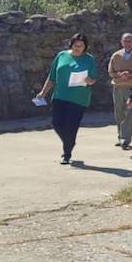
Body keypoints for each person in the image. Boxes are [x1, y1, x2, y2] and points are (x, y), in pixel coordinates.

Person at [35, 32, 98, 165]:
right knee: (56, 123)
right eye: (76, 45)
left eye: (81, 45)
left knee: (71, 125)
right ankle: (69, 141)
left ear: (85, 47)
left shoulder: (89, 59)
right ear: (71, 44)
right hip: (60, 95)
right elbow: (52, 77)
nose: (78, 47)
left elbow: (93, 79)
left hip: (79, 98)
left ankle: (66, 154)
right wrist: (43, 92)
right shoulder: (61, 56)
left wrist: (89, 80)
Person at [108, 33, 132, 150]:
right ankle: (120, 136)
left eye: (130, 41)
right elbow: (111, 72)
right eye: (125, 41)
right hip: (118, 87)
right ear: (121, 42)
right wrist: (120, 75)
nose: (127, 43)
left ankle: (125, 139)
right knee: (119, 112)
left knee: (129, 113)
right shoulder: (116, 55)